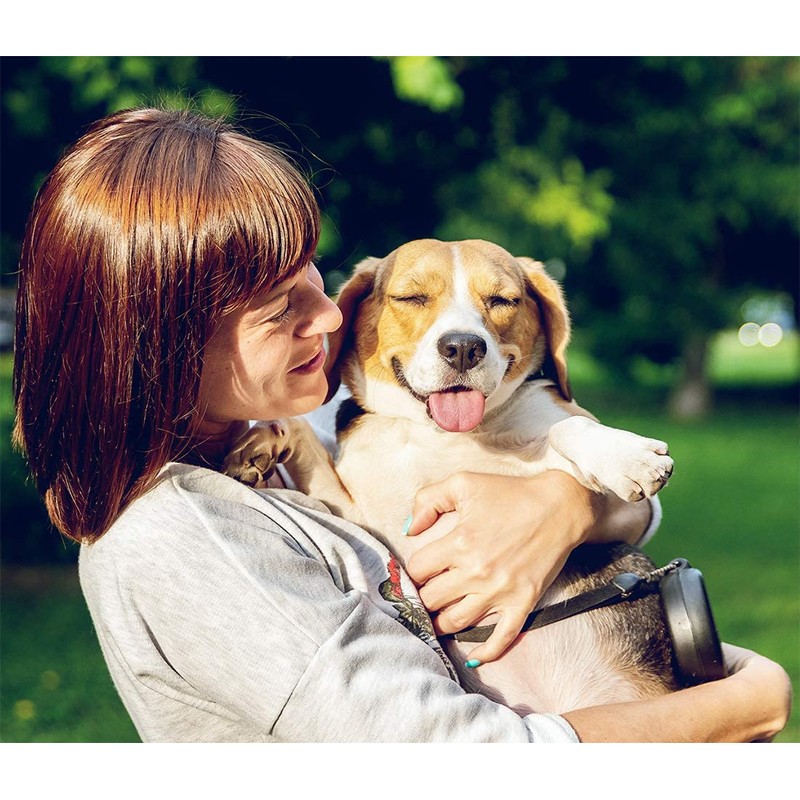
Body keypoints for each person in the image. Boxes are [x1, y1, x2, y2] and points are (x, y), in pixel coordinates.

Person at [13, 107, 790, 743]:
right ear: (162, 343)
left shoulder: (302, 428)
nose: (331, 315)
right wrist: (744, 703)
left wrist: (567, 505)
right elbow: (469, 761)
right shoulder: (181, 537)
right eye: (281, 308)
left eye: (312, 274)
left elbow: (636, 501)